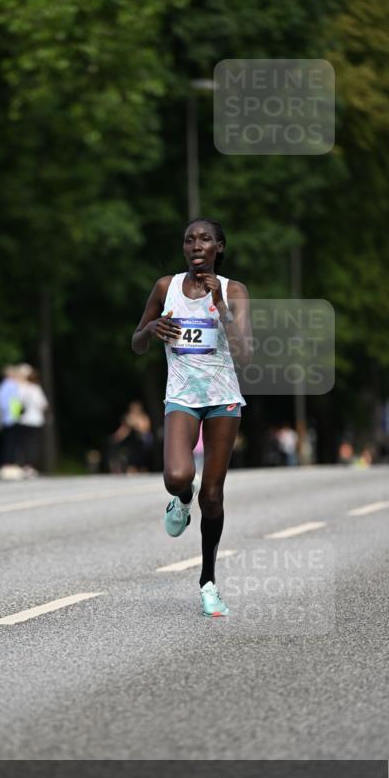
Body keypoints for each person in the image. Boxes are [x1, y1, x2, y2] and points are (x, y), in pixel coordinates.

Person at [132, 218, 252, 618]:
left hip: (223, 401)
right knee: (177, 477)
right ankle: (181, 500)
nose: (196, 244)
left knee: (213, 496)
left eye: (204, 239)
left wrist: (220, 307)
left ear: (219, 246)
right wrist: (151, 328)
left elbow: (245, 355)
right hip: (182, 397)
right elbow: (136, 343)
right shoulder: (166, 287)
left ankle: (208, 583)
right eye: (189, 239)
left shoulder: (234, 290)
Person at [16, 364, 49, 476]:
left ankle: (23, 465)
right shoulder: (35, 388)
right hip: (35, 420)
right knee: (33, 444)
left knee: (23, 444)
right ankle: (30, 466)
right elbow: (43, 404)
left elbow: (16, 404)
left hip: (23, 420)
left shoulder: (21, 388)